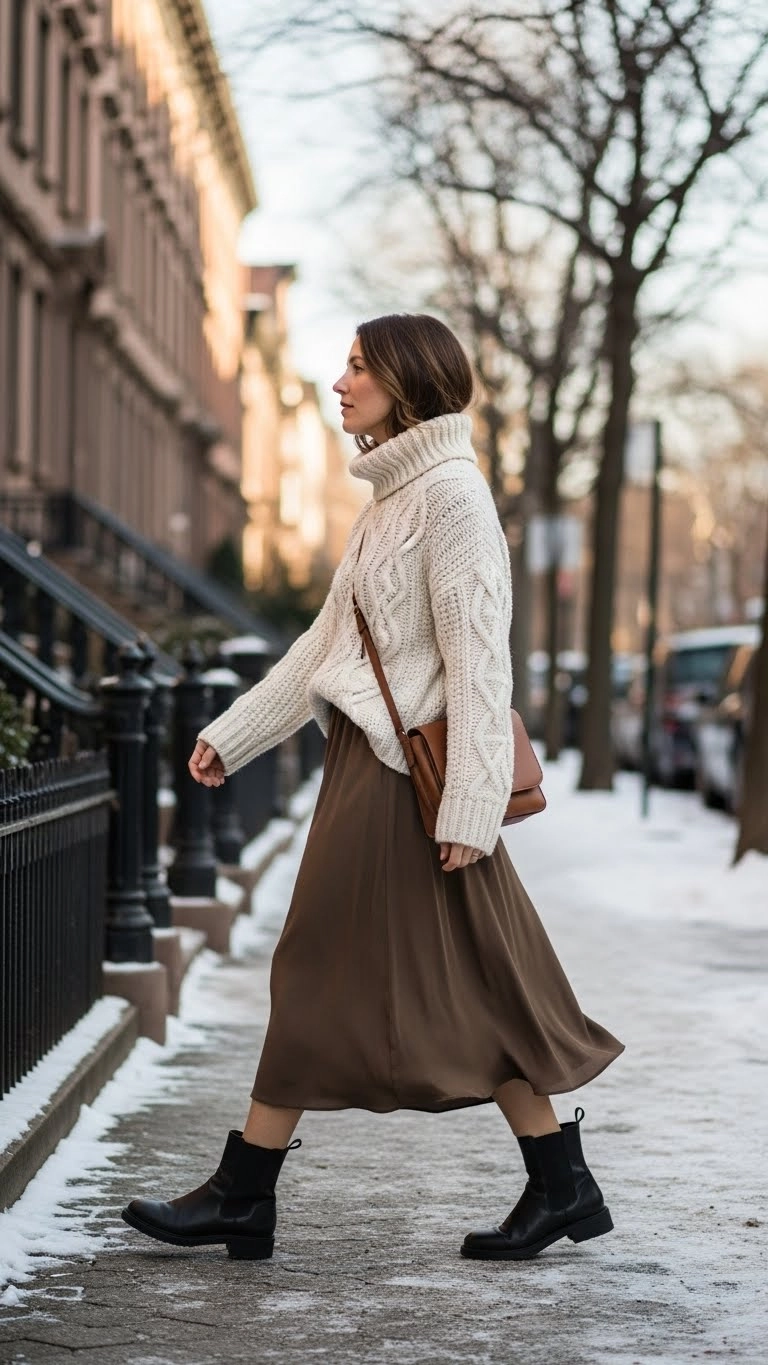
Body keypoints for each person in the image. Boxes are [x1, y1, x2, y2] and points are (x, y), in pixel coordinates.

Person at [122, 313, 623, 1264]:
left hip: (407, 782)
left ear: (408, 380)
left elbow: (481, 664)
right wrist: (237, 734)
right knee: (476, 977)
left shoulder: (454, 498)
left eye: (358, 366)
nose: (339, 381)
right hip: (369, 768)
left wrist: (472, 806)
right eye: (346, 363)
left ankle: (245, 1191)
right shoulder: (389, 500)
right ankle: (561, 1183)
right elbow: (325, 647)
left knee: (320, 964)